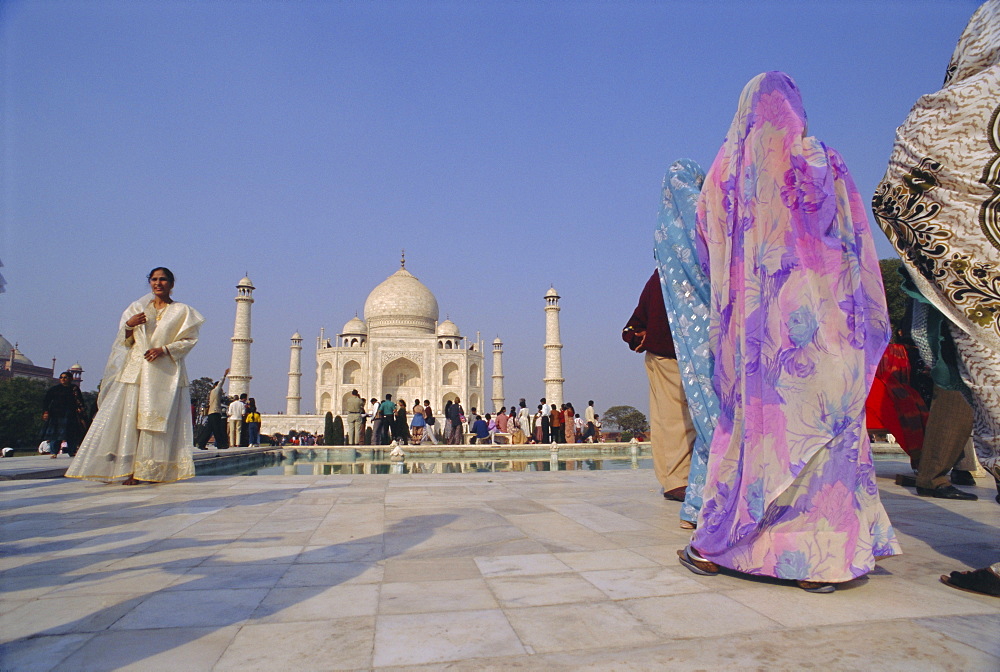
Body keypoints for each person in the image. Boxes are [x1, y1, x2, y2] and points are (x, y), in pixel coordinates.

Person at [678, 72, 900, 592]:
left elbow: (704, 246)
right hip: (827, 327)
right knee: (824, 435)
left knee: (762, 438)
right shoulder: (823, 160)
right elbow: (853, 238)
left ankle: (738, 546)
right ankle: (825, 561)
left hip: (758, 343)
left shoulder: (725, 172)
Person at [872, 0, 1000, 491]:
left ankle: (937, 472)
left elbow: (903, 188)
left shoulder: (970, 104)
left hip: (975, 290)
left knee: (963, 384)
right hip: (964, 292)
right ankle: (939, 470)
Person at [66, 267, 204, 484]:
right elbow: (125, 342)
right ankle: (129, 470)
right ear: (149, 282)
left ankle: (152, 471)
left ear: (172, 283)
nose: (158, 283)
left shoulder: (182, 311)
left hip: (165, 374)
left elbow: (189, 340)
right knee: (130, 422)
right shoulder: (137, 308)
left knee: (157, 424)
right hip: (136, 373)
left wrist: (164, 349)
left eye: (163, 279)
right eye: (154, 279)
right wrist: (129, 326)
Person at [653, 158, 719, 529]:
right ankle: (708, 500)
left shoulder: (665, 232)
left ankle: (700, 501)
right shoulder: (714, 224)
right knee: (710, 417)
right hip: (717, 337)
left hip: (686, 346)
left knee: (700, 418)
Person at [623, 269, 697, 502]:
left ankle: (670, 479)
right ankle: (678, 480)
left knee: (665, 417)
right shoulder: (682, 268)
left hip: (661, 349)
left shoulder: (662, 272)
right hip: (672, 350)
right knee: (677, 418)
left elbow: (642, 313)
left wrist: (639, 333)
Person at [41, 371, 90, 458]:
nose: (63, 379)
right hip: (56, 414)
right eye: (61, 377)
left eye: (65, 377)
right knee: (56, 434)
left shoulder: (74, 388)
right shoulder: (55, 389)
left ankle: (71, 451)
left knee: (71, 434)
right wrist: (46, 412)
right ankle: (54, 452)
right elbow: (46, 401)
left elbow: (79, 401)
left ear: (70, 379)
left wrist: (82, 412)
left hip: (70, 414)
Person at [197, 368, 229, 450]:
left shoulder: (211, 392)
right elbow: (220, 384)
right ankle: (220, 444)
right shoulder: (216, 390)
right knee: (217, 429)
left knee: (209, 429)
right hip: (215, 412)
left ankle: (201, 443)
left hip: (211, 412)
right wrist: (224, 375)